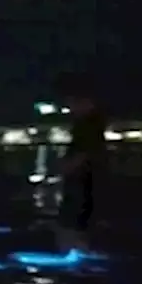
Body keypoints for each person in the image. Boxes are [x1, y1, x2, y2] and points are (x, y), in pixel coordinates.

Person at [53, 73, 106, 252]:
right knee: (77, 228)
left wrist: (65, 167)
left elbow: (84, 153)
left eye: (72, 102)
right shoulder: (93, 124)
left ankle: (73, 256)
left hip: (81, 186)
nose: (71, 107)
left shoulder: (87, 126)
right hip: (87, 186)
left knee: (69, 228)